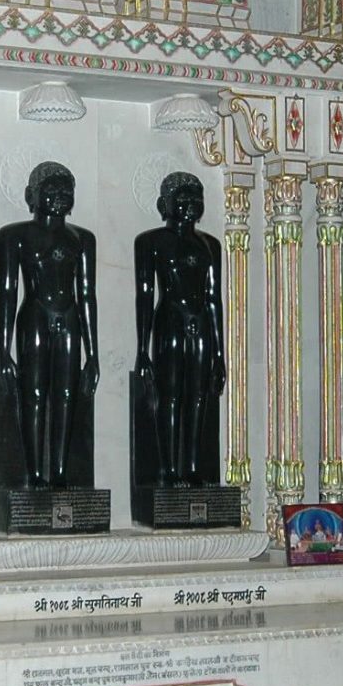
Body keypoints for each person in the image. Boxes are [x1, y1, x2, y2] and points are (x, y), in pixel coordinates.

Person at [0, 162, 99, 488]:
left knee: (66, 395)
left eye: (66, 190)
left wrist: (93, 354)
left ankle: (59, 471)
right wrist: (3, 350)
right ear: (32, 196)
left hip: (69, 317)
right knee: (35, 393)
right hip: (35, 315)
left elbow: (87, 295)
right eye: (51, 189)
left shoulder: (82, 239)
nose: (59, 196)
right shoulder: (15, 236)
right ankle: (34, 472)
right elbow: (8, 292)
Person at [134, 172, 226, 486]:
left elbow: (214, 299)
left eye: (195, 197)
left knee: (198, 396)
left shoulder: (210, 245)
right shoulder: (151, 242)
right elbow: (145, 295)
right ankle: (169, 468)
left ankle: (193, 466)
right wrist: (142, 349)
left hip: (201, 323)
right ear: (165, 204)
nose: (190, 203)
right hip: (170, 320)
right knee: (170, 394)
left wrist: (219, 354)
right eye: (182, 197)